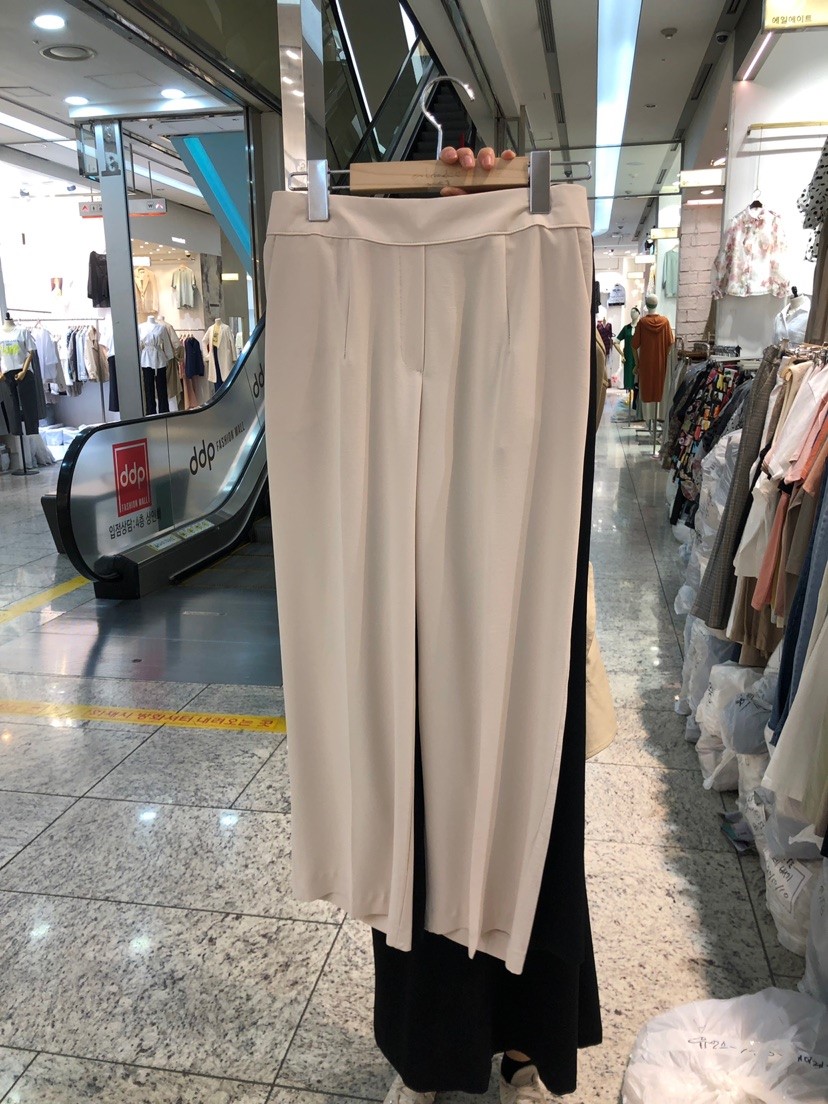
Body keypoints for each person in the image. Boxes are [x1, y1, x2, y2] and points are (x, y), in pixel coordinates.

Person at [372, 145, 603, 1104]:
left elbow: (573, 435)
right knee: (419, 801)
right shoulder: (379, 294)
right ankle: (436, 1051)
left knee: (523, 800)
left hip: (521, 601)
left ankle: (515, 1039)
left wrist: (516, 242)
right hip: (413, 608)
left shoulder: (539, 280)